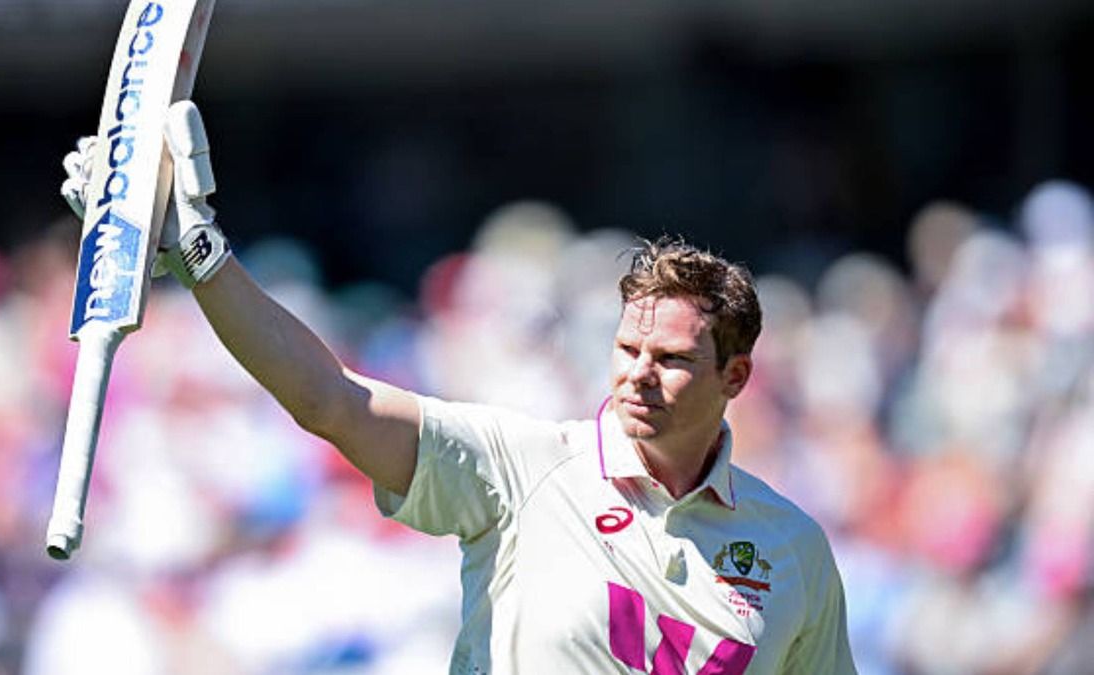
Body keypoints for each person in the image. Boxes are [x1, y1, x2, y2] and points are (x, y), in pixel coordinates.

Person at [61, 101, 856, 674]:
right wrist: (197, 253)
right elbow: (329, 400)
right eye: (626, 347)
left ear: (736, 375)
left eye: (673, 359)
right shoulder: (527, 465)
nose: (639, 373)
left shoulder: (793, 548)